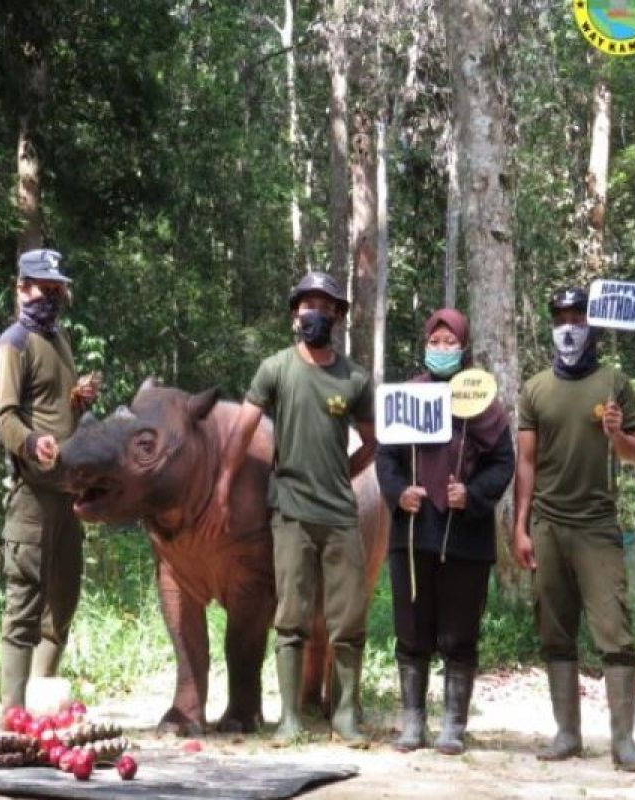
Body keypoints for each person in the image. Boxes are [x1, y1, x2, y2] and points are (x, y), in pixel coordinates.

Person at [205, 271, 377, 745]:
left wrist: (345, 471)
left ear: (337, 316)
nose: (313, 313)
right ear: (293, 315)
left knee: (348, 618)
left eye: (324, 306)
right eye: (306, 305)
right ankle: (290, 718)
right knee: (292, 615)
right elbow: (243, 428)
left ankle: (345, 714)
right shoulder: (275, 368)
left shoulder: (355, 377)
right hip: (291, 513)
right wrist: (223, 484)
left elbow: (373, 440)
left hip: (340, 515)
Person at [512, 286, 635, 772]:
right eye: (561, 317)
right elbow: (525, 463)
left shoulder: (615, 383)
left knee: (615, 633)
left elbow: (634, 454)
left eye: (577, 316)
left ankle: (623, 743)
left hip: (597, 524)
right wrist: (520, 526)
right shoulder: (534, 388)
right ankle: (567, 733)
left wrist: (616, 431)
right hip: (548, 524)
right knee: (554, 630)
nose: (568, 325)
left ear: (592, 325)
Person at [375, 309, 514, 755]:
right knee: (411, 630)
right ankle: (412, 722)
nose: (441, 349)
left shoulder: (482, 402)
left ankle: (454, 724)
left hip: (465, 536)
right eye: (434, 341)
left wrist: (470, 496)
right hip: (414, 531)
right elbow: (386, 458)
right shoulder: (407, 396)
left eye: (449, 341)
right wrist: (399, 494)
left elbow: (503, 462)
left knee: (459, 632)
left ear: (464, 346)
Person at [0, 248, 100, 709]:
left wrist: (79, 400)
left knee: (62, 605)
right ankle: (12, 717)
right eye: (42, 288)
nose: (50, 298)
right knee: (24, 609)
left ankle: (40, 709)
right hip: (32, 496)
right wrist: (32, 442)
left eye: (57, 290)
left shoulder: (59, 341)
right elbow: (5, 418)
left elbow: (58, 405)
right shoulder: (13, 343)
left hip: (67, 494)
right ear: (21, 289)